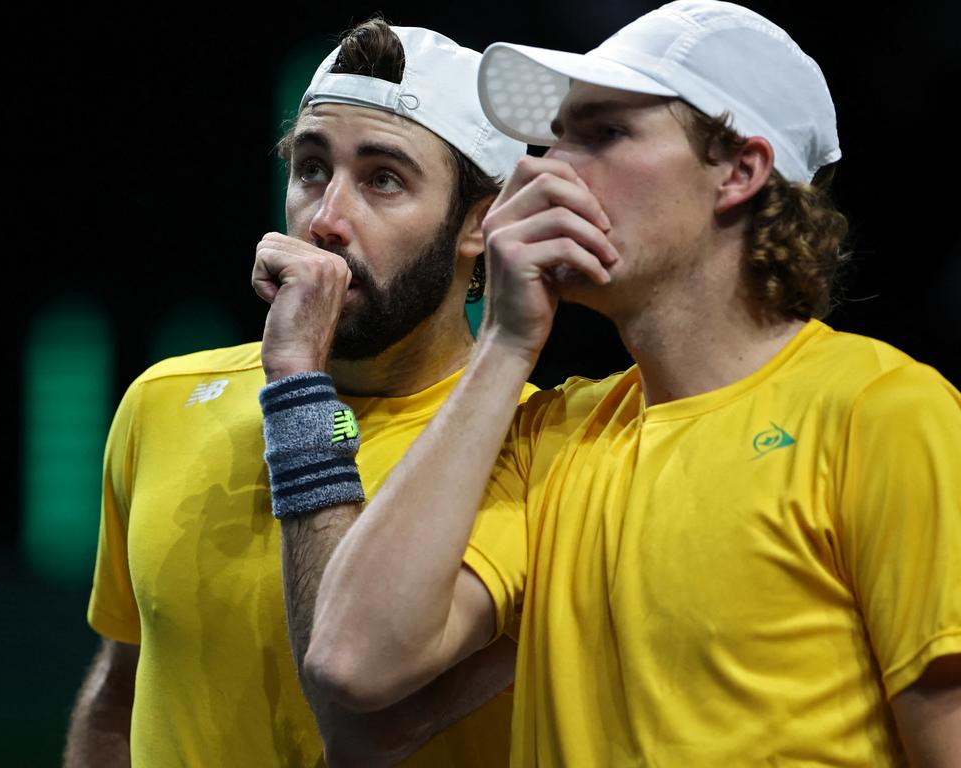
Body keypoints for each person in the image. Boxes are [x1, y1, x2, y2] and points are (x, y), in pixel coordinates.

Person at [279, 2, 961, 766]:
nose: (545, 170)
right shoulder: (553, 433)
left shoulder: (884, 413)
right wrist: (505, 342)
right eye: (556, 135)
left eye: (603, 133)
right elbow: (350, 664)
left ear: (739, 171)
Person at [64, 20, 531, 768]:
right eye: (312, 169)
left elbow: (354, 699)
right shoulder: (161, 401)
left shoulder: (539, 447)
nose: (325, 221)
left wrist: (296, 385)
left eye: (384, 179)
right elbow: (123, 690)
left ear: (481, 221)